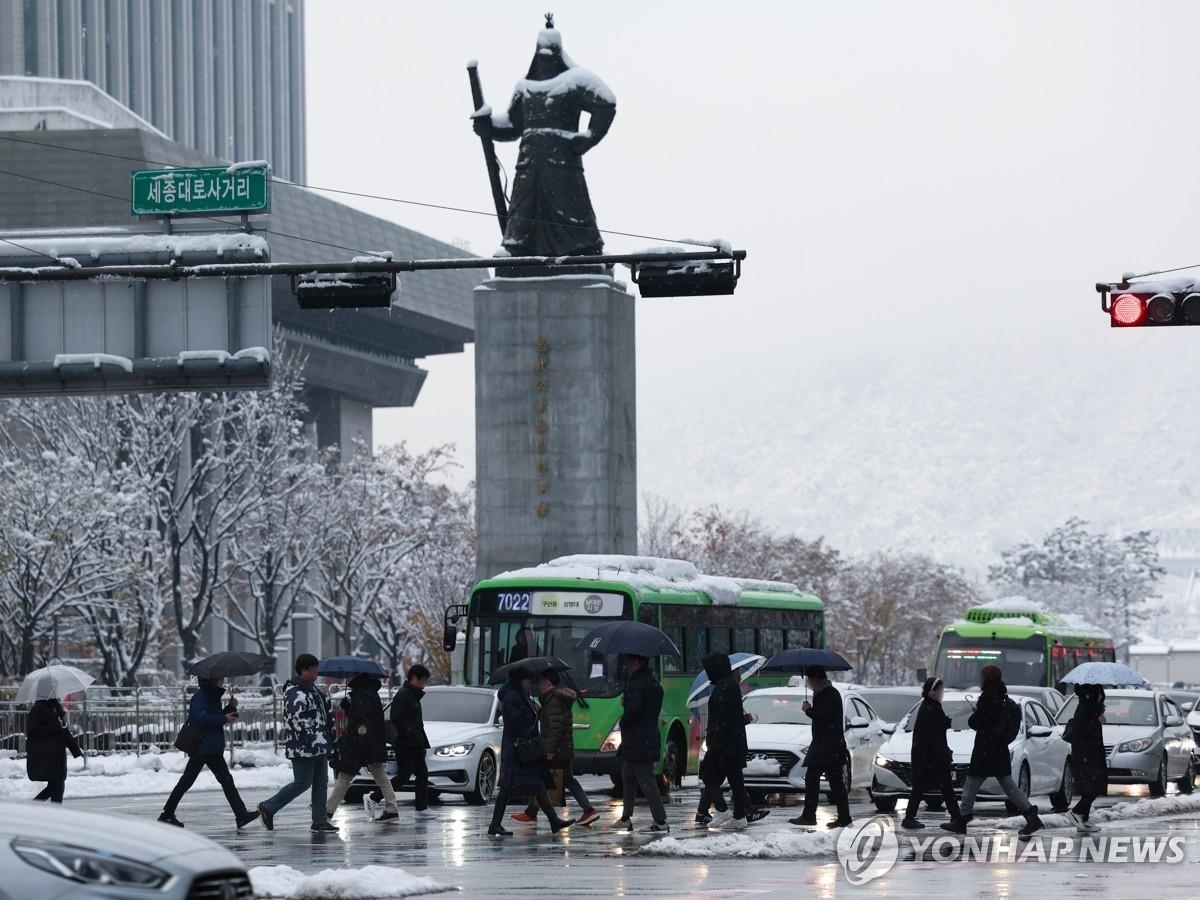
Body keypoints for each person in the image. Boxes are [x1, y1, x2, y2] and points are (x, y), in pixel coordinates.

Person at [941, 664, 1043, 837]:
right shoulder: (1003, 697)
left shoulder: (987, 697)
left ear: (986, 678)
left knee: (971, 784)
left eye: (981, 676)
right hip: (999, 748)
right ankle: (1031, 816)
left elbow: (976, 723)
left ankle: (961, 819)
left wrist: (975, 715)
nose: (979, 679)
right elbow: (994, 720)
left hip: (985, 749)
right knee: (1009, 786)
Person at [158, 678, 257, 828]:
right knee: (188, 780)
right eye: (219, 678)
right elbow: (202, 718)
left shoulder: (211, 695)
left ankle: (241, 814)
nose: (222, 680)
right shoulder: (201, 696)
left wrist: (229, 708)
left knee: (225, 780)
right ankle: (167, 814)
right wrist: (224, 718)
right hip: (203, 746)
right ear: (211, 680)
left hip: (211, 747)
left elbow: (213, 716)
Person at [488, 667, 575, 836]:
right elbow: (515, 722)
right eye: (527, 680)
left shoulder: (522, 696)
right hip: (518, 748)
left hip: (524, 748)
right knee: (508, 787)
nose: (530, 684)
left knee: (537, 784)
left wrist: (535, 709)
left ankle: (553, 821)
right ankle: (495, 824)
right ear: (520, 681)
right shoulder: (513, 697)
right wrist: (530, 729)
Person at [258, 654, 336, 833]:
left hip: (319, 745)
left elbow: (321, 715)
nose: (317, 672)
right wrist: (312, 740)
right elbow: (296, 720)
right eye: (314, 669)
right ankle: (269, 807)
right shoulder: (295, 692)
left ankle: (319, 820)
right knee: (302, 782)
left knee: (321, 782)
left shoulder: (313, 690)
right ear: (303, 670)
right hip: (303, 747)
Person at [512, 669, 599, 827]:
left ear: (548, 682)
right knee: (565, 780)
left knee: (544, 779)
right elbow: (553, 720)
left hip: (558, 750)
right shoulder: (555, 699)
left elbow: (555, 727)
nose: (539, 685)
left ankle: (588, 810)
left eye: (541, 681)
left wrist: (550, 750)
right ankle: (532, 812)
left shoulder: (554, 700)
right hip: (563, 748)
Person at [697, 652, 768, 828]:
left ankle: (724, 811)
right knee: (735, 779)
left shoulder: (724, 687)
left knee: (708, 775)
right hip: (731, 743)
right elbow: (732, 718)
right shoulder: (729, 685)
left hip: (723, 743)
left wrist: (716, 744)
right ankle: (740, 816)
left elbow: (723, 719)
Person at [327, 672, 398, 822]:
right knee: (380, 777)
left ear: (356, 676)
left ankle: (328, 811)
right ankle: (392, 808)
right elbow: (364, 718)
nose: (349, 676)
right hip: (371, 744)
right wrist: (349, 709)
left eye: (351, 674)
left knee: (345, 777)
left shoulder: (362, 695)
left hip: (361, 745)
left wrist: (360, 744)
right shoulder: (367, 692)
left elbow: (363, 724)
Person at [788, 666, 851, 829]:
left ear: (816, 679)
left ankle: (811, 816)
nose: (809, 684)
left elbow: (823, 716)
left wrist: (808, 710)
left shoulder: (828, 694)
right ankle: (842, 817)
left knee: (816, 779)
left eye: (809, 680)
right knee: (833, 782)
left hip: (827, 746)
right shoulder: (825, 693)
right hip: (828, 745)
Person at [615, 655, 670, 833]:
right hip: (643, 737)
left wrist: (623, 720)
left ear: (638, 662)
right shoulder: (652, 683)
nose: (627, 665)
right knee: (628, 776)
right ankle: (625, 817)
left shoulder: (638, 684)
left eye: (629, 661)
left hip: (639, 738)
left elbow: (634, 710)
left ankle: (661, 821)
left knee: (646, 779)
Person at [900, 676, 961, 830]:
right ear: (932, 692)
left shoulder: (933, 706)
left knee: (934, 787)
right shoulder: (928, 708)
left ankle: (955, 817)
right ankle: (955, 818)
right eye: (940, 690)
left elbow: (936, 729)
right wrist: (944, 752)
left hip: (931, 756)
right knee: (934, 787)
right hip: (928, 756)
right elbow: (931, 735)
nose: (942, 693)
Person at [389, 663, 435, 819]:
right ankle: (374, 797)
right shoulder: (404, 694)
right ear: (414, 678)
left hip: (415, 742)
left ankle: (422, 808)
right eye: (423, 681)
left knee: (422, 774)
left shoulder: (413, 695)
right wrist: (409, 732)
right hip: (406, 743)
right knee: (404, 776)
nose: (424, 685)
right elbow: (396, 717)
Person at [1064, 684, 1107, 833]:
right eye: (1100, 693)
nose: (1102, 696)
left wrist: (1098, 714)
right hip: (1087, 754)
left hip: (1090, 753)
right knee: (1094, 786)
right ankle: (1076, 812)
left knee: (1094, 785)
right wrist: (1097, 719)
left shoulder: (1090, 706)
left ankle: (1084, 817)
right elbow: (1083, 731)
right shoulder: (1086, 708)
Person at [26, 696, 80, 804]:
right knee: (57, 785)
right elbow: (35, 731)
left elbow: (63, 730)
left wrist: (75, 749)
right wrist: (56, 725)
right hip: (47, 755)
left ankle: (33, 808)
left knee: (55, 786)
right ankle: (51, 813)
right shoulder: (38, 708)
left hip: (57, 754)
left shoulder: (54, 706)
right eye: (51, 688)